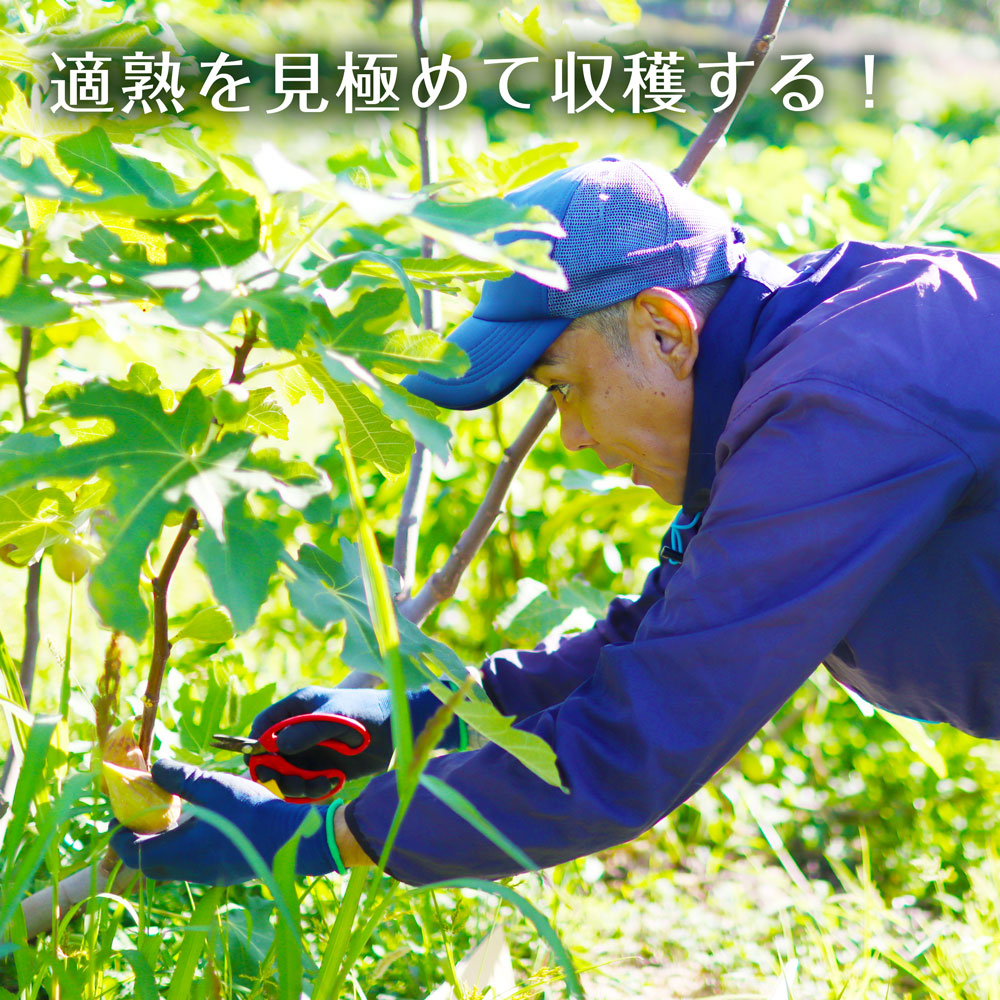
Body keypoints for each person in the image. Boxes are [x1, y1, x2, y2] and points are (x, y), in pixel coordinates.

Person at [113, 155, 1000, 888]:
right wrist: (420, 721)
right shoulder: (800, 355)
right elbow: (662, 635)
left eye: (565, 388)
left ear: (665, 331)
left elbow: (641, 732)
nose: (575, 437)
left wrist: (314, 839)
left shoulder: (843, 400)